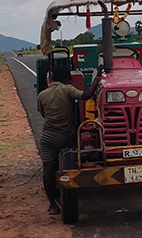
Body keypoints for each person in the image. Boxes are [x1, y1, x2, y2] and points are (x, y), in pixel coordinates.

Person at [37, 61, 103, 214]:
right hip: (63, 136)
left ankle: (52, 205)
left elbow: (43, 114)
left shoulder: (42, 95)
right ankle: (66, 195)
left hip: (46, 136)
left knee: (48, 169)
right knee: (67, 163)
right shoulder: (67, 89)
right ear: (67, 79)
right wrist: (97, 78)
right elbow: (86, 95)